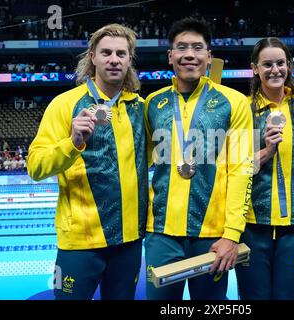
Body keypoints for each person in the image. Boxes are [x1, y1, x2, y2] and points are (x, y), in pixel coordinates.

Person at [27, 24, 148, 300]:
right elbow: (35, 166)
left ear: (130, 59)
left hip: (129, 242)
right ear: (92, 57)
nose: (114, 59)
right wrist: (72, 143)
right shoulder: (64, 104)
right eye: (106, 52)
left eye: (121, 53)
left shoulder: (140, 108)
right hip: (80, 243)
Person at [144, 17, 253, 300]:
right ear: (170, 57)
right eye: (181, 48)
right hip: (161, 233)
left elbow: (242, 169)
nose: (189, 54)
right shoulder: (153, 103)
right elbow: (139, 162)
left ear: (208, 57)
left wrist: (231, 234)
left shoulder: (234, 102)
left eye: (197, 47)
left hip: (213, 233)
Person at [234, 37, 294, 300]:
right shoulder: (242, 109)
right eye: (267, 64)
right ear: (255, 68)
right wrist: (265, 152)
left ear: (289, 66)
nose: (275, 70)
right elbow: (233, 170)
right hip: (253, 226)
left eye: (280, 63)